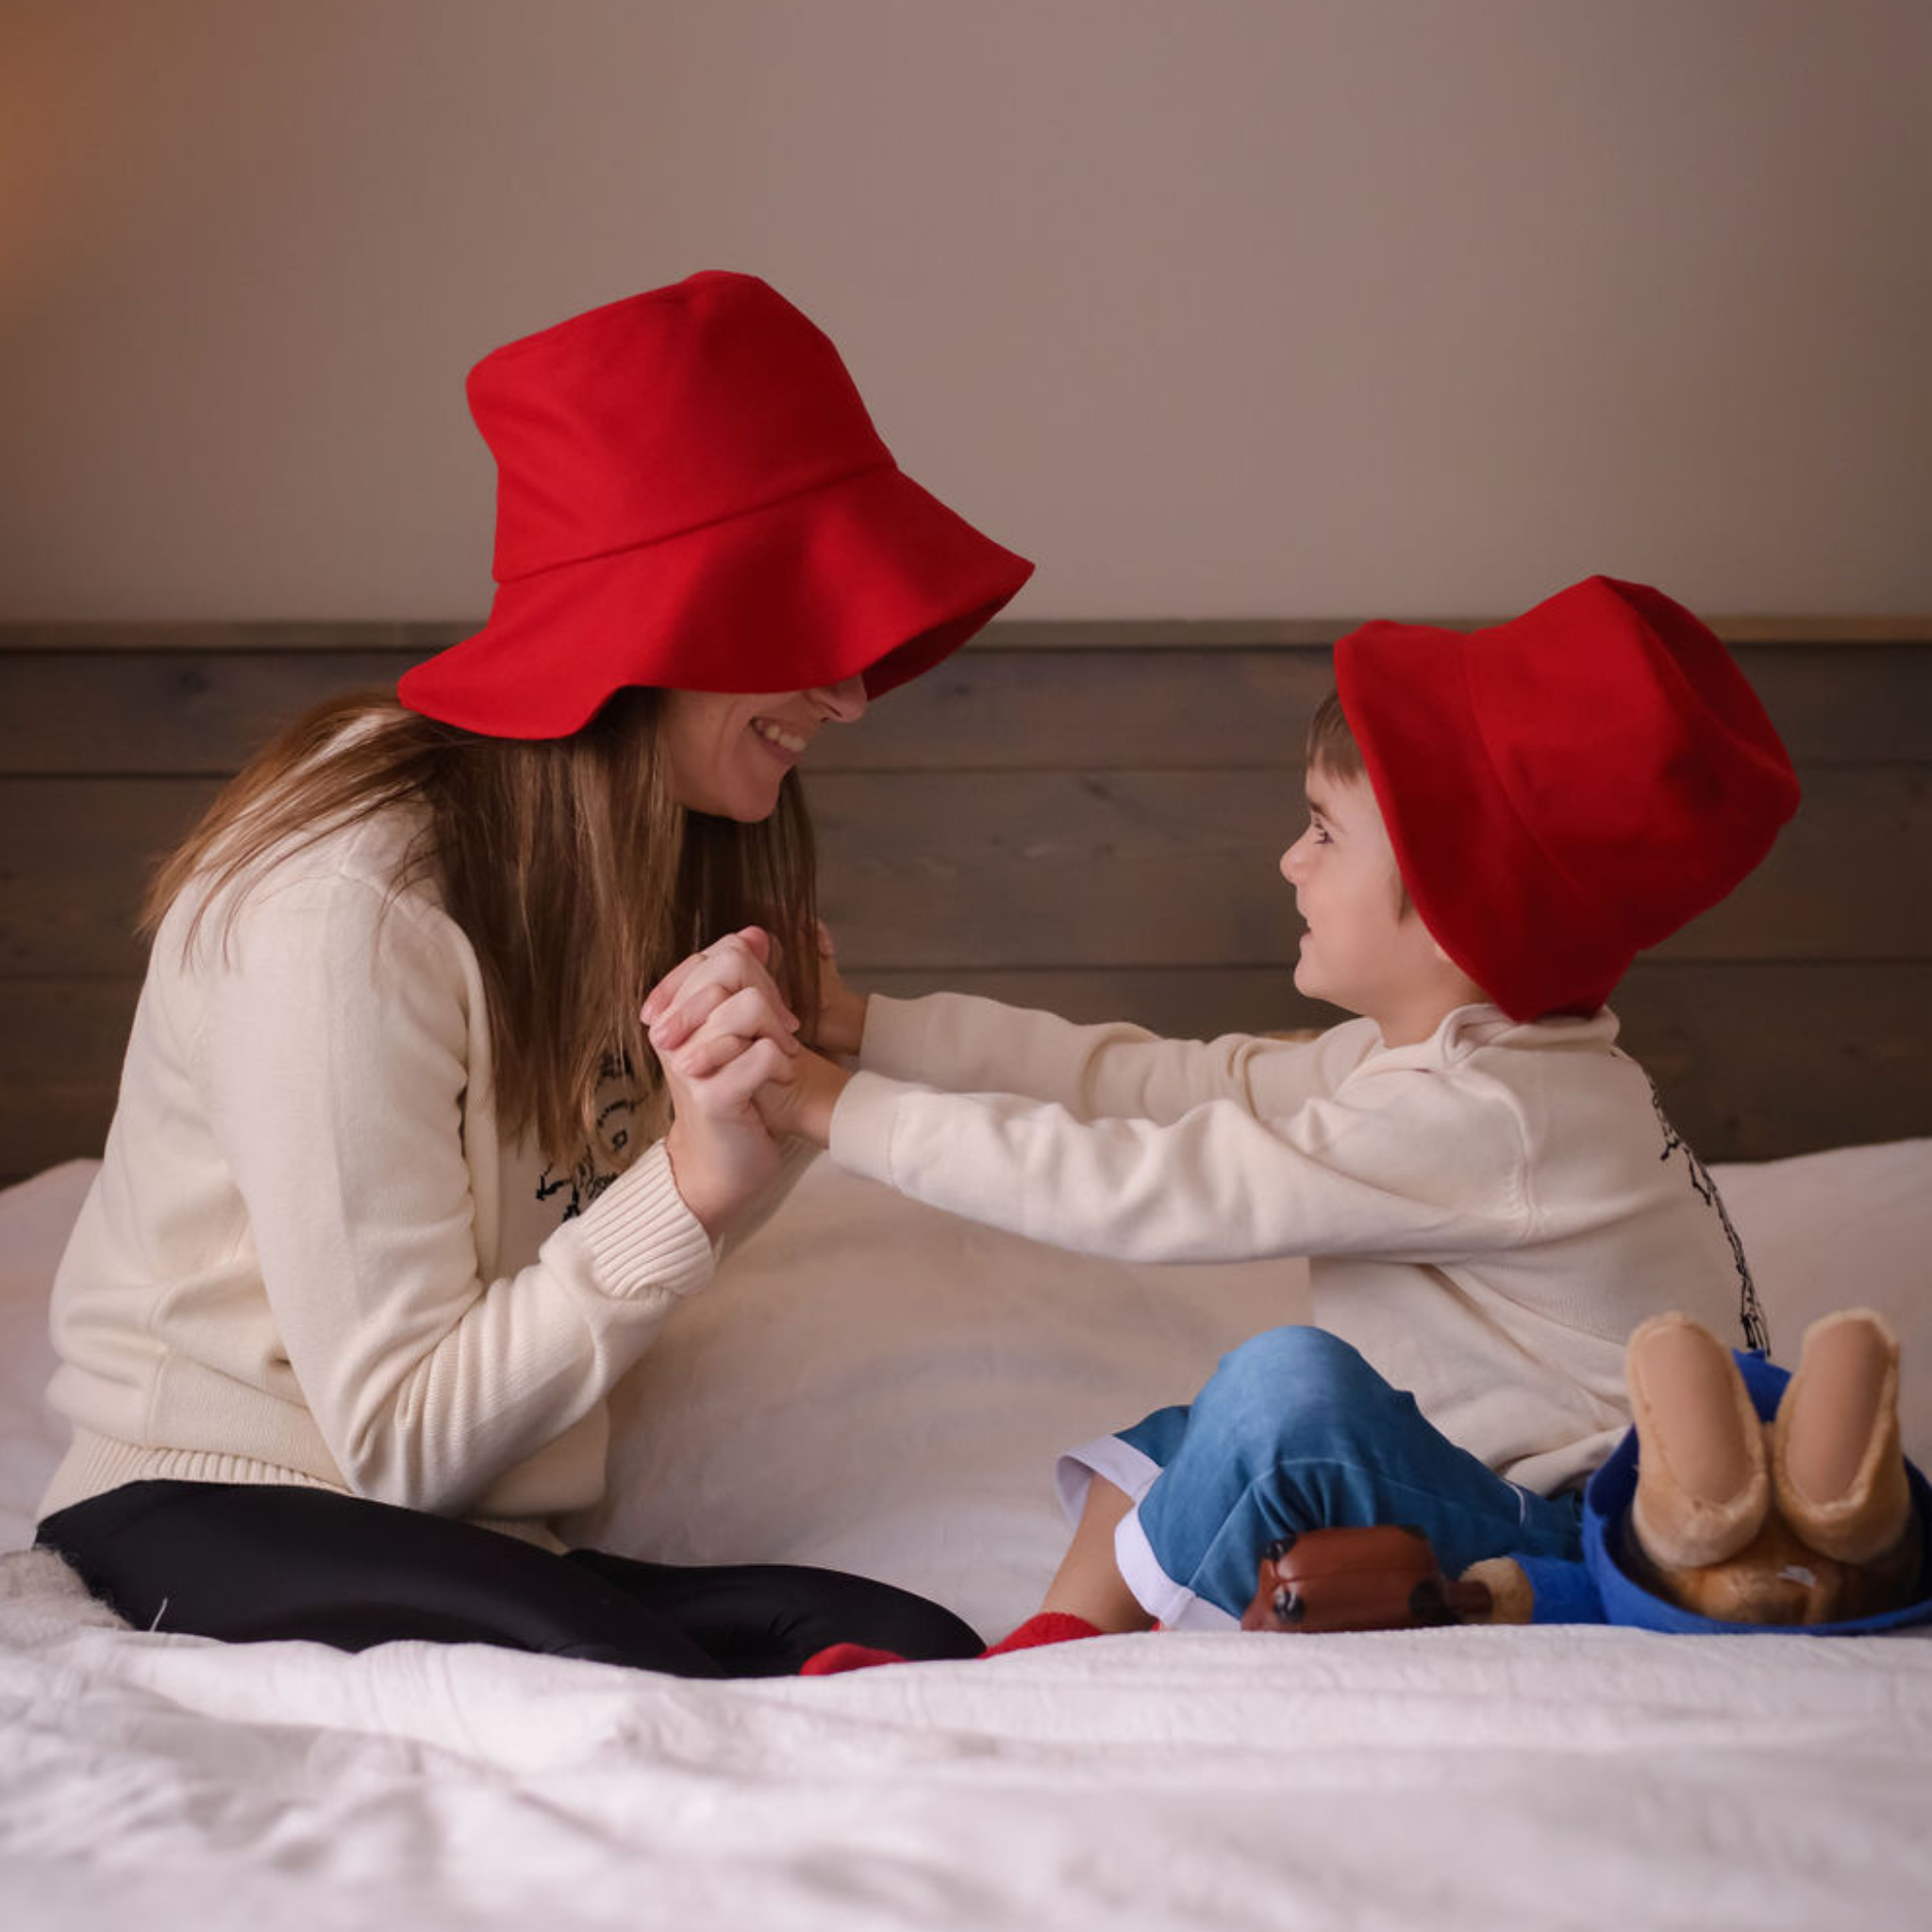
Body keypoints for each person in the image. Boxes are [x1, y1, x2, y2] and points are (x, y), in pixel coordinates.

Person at [33, 270, 1033, 1677]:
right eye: (804, 621)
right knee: (661, 1685)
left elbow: (589, 1262)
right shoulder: (350, 900)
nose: (853, 693)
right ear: (663, 625)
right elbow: (401, 1441)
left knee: (909, 1644)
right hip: (212, 1500)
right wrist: (697, 1186)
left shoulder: (655, 858)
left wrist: (751, 1142)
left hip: (483, 1532)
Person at [641, 575, 1805, 1665]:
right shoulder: (1455, 1066)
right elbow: (1164, 1086)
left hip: (1580, 1550)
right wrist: (866, 1028)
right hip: (1487, 1492)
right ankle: (1046, 1649)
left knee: (1287, 1393)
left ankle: (1062, 1679)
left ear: (1453, 912)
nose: (1287, 859)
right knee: (1178, 1436)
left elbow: (1140, 1183)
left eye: (1321, 829)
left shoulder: (1493, 1114)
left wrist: (834, 1109)